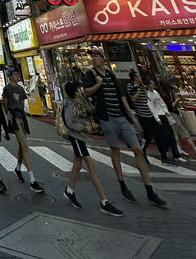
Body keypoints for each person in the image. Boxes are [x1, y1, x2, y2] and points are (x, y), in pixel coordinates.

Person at [83, 48, 166, 207]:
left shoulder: (112, 74)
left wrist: (131, 114)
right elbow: (86, 92)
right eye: (92, 57)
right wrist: (98, 85)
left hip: (122, 117)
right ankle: (123, 186)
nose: (94, 59)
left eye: (96, 56)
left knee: (138, 150)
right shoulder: (91, 74)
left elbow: (122, 96)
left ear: (103, 58)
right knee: (115, 150)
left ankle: (150, 191)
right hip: (107, 118)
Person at [62, 81, 123, 216]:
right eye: (79, 89)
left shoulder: (77, 101)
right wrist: (86, 128)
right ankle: (104, 201)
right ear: (75, 91)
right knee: (92, 167)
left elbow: (89, 110)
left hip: (80, 137)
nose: (81, 90)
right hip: (76, 137)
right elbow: (69, 123)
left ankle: (69, 190)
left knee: (77, 165)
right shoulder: (70, 105)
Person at [2, 67, 44, 193]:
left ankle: (18, 168)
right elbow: (5, 102)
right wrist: (8, 115)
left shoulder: (20, 89)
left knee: (22, 145)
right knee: (24, 145)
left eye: (17, 74)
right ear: (10, 76)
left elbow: (21, 100)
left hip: (22, 117)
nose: (17, 76)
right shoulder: (7, 88)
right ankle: (32, 180)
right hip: (14, 118)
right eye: (14, 74)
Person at [147, 79, 181, 164]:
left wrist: (166, 111)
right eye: (152, 83)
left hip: (163, 114)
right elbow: (151, 107)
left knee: (171, 135)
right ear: (148, 85)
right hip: (157, 116)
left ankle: (176, 155)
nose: (154, 85)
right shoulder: (147, 94)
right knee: (161, 137)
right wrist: (157, 118)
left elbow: (162, 103)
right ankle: (164, 156)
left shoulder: (155, 92)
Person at [126, 70, 157, 161]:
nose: (141, 78)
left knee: (150, 133)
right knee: (146, 132)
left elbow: (147, 98)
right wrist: (138, 90)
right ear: (135, 78)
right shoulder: (131, 86)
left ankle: (142, 147)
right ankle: (141, 150)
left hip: (149, 111)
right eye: (139, 76)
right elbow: (132, 99)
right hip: (140, 112)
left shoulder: (143, 86)